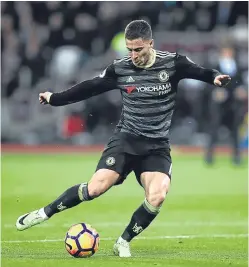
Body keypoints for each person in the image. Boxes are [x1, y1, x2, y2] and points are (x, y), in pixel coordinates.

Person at [16, 20, 231, 257]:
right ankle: (44, 213)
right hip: (126, 140)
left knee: (157, 195)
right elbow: (90, 87)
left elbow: (200, 71)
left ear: (151, 43)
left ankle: (123, 241)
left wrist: (215, 78)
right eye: (129, 49)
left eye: (138, 49)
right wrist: (54, 98)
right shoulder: (120, 68)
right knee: (95, 189)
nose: (133, 55)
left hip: (156, 146)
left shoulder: (173, 63)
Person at [204, 46, 247, 165]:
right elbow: (207, 84)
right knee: (214, 130)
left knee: (235, 131)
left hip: (233, 104)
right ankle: (209, 157)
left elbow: (241, 83)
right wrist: (215, 92)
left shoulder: (237, 67)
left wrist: (241, 90)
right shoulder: (215, 67)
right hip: (218, 104)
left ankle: (237, 157)